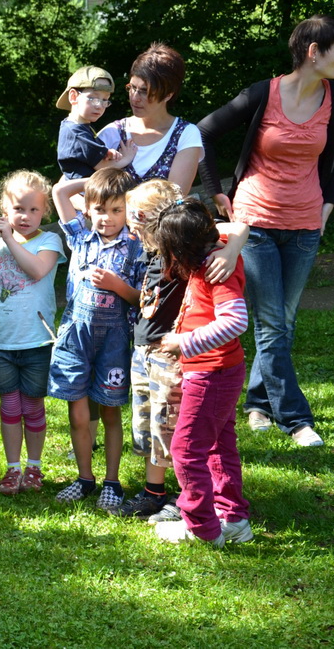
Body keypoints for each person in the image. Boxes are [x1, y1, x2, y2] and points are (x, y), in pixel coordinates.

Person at [197, 15, 334, 447]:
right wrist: (216, 192)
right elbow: (203, 133)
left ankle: (257, 404)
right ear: (313, 52)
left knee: (282, 320)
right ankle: (296, 419)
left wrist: (328, 205)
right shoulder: (261, 94)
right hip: (255, 224)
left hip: (305, 225)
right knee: (271, 322)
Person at [113, 179, 247, 522]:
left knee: (175, 430)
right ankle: (159, 492)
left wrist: (231, 250)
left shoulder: (188, 249)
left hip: (176, 355)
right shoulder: (154, 247)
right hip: (145, 349)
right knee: (150, 426)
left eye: (135, 218)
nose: (131, 227)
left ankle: (188, 499)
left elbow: (237, 227)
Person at [151, 199, 253, 546]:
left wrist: (185, 342)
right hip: (217, 371)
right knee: (218, 446)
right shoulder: (215, 247)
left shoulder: (216, 269)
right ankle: (233, 519)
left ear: (183, 247)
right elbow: (234, 227)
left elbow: (235, 321)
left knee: (186, 450)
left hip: (212, 374)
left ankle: (202, 529)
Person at [49, 169, 143, 509]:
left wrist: (117, 285)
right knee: (77, 414)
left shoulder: (137, 247)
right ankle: (84, 478)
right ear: (88, 208)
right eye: (100, 209)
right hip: (76, 337)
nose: (107, 218)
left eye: (117, 210)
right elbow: (60, 192)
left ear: (128, 210)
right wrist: (95, 181)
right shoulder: (80, 237)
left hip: (114, 341)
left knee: (110, 413)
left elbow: (143, 299)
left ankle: (112, 482)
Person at [0, 170, 65, 495]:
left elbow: (37, 270)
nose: (25, 216)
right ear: (4, 210)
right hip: (2, 341)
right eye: (18, 209)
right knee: (10, 407)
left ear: (44, 211)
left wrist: (8, 239)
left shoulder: (48, 241)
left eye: (33, 209)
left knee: (33, 406)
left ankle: (34, 467)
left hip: (36, 339)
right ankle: (13, 469)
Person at [97, 43, 203, 194]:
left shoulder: (186, 134)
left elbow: (175, 197)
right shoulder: (114, 132)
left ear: (168, 95)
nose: (135, 98)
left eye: (145, 91)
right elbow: (71, 178)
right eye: (132, 88)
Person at [56, 65, 135, 180]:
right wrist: (127, 158)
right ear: (73, 96)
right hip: (83, 189)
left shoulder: (79, 127)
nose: (99, 106)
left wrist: (106, 152)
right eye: (93, 98)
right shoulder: (77, 134)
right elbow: (103, 167)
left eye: (104, 100)